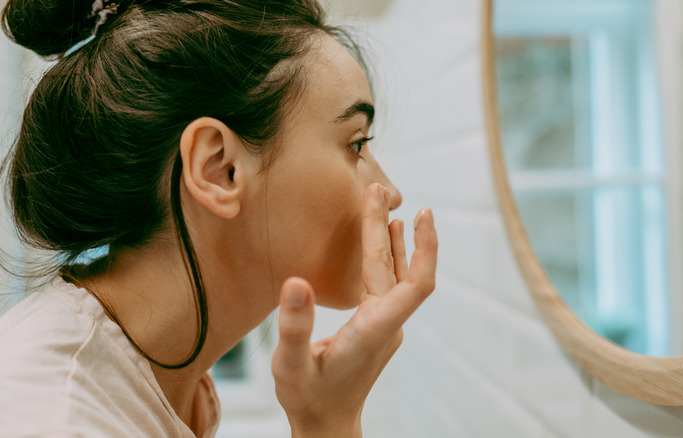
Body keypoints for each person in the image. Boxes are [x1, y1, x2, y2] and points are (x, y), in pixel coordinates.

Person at [0, 0, 438, 436]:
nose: (390, 193)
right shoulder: (57, 418)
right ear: (219, 169)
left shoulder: (171, 385)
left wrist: (327, 420)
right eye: (356, 144)